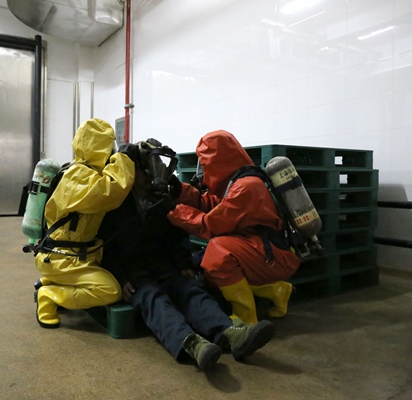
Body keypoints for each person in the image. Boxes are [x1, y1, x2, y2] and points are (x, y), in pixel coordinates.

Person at [98, 139, 275, 371]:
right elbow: (104, 245)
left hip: (162, 263)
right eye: (146, 168)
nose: (152, 173)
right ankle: (192, 344)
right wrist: (119, 278)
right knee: (153, 299)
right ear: (130, 170)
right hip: (133, 271)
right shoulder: (114, 203)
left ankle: (229, 333)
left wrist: (184, 262)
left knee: (189, 289)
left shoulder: (159, 198)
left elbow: (176, 234)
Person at [166, 130, 301, 325]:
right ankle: (278, 291)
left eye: (205, 163)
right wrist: (180, 191)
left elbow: (211, 225)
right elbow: (212, 204)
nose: (202, 170)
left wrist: (173, 210)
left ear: (218, 160)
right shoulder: (238, 182)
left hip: (275, 256)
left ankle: (246, 319)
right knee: (211, 270)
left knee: (217, 254)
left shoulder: (245, 187)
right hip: (265, 249)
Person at [33, 118, 135, 328]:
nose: (111, 151)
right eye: (109, 146)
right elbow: (111, 191)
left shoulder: (83, 172)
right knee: (110, 290)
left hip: (75, 255)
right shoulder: (78, 176)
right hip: (63, 258)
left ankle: (53, 280)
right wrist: (123, 158)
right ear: (100, 147)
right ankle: (49, 295)